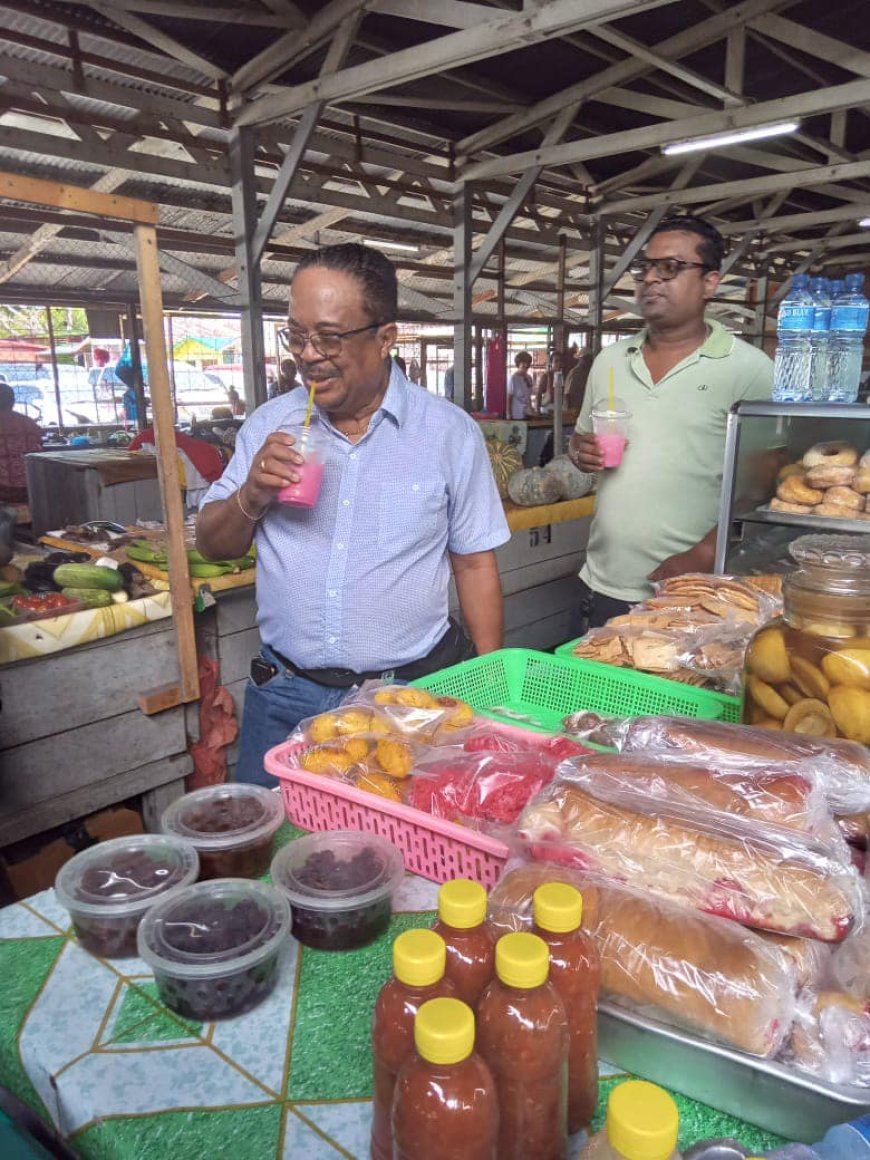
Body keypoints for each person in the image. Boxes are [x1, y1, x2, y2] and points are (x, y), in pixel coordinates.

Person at [196, 243, 510, 785]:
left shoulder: (449, 433)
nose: (308, 353)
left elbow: (475, 565)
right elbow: (211, 545)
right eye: (295, 335)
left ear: (385, 337)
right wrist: (252, 494)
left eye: (329, 336)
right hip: (286, 695)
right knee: (276, 850)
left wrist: (490, 687)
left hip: (408, 699)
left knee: (399, 854)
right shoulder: (270, 425)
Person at [568, 214, 773, 628]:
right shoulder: (609, 361)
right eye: (646, 268)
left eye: (671, 267)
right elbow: (579, 441)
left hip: (695, 590)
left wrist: (703, 552)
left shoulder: (748, 370)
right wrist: (579, 452)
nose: (651, 279)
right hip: (605, 581)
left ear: (710, 283)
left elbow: (764, 486)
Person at [0, 382, 42, 503]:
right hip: (29, 486)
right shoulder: (28, 422)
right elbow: (40, 444)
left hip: (2, 489)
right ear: (13, 401)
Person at [508, 351, 533, 419]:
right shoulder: (513, 378)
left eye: (528, 363)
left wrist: (531, 411)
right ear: (518, 364)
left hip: (528, 413)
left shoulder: (529, 378)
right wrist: (509, 414)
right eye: (523, 363)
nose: (526, 365)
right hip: (516, 414)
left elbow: (529, 397)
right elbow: (509, 398)